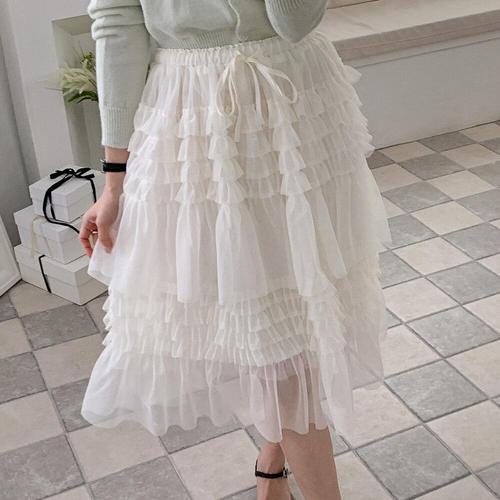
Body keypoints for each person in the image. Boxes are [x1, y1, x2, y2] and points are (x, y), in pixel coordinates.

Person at [79, 1, 392, 498]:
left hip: (295, 100)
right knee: (261, 312)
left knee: (295, 302)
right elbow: (117, 26)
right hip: (196, 114)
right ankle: (286, 463)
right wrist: (114, 181)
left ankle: (274, 455)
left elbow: (295, 21)